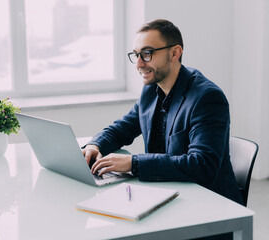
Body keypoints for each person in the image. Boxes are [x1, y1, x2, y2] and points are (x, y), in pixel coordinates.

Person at [82, 19, 243, 240]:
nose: (139, 63)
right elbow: (120, 129)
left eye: (147, 53)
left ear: (175, 53)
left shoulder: (207, 97)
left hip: (208, 212)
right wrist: (95, 144)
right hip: (166, 197)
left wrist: (134, 163)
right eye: (136, 54)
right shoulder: (151, 90)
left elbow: (203, 165)